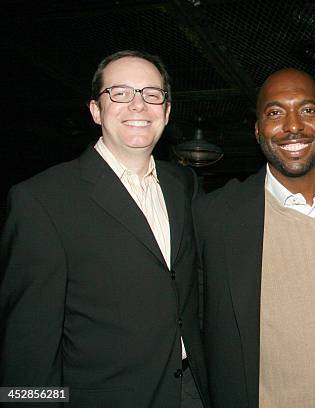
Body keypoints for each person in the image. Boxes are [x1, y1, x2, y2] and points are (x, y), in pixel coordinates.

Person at [0, 50, 208, 407]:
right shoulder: (40, 200)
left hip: (194, 390)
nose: (138, 105)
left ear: (167, 111)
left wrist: (313, 176)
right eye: (120, 93)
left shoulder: (184, 184)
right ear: (96, 110)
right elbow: (27, 349)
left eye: (151, 93)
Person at [195, 68, 315, 407]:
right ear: (258, 130)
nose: (293, 126)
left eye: (307, 110)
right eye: (275, 113)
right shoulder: (216, 216)